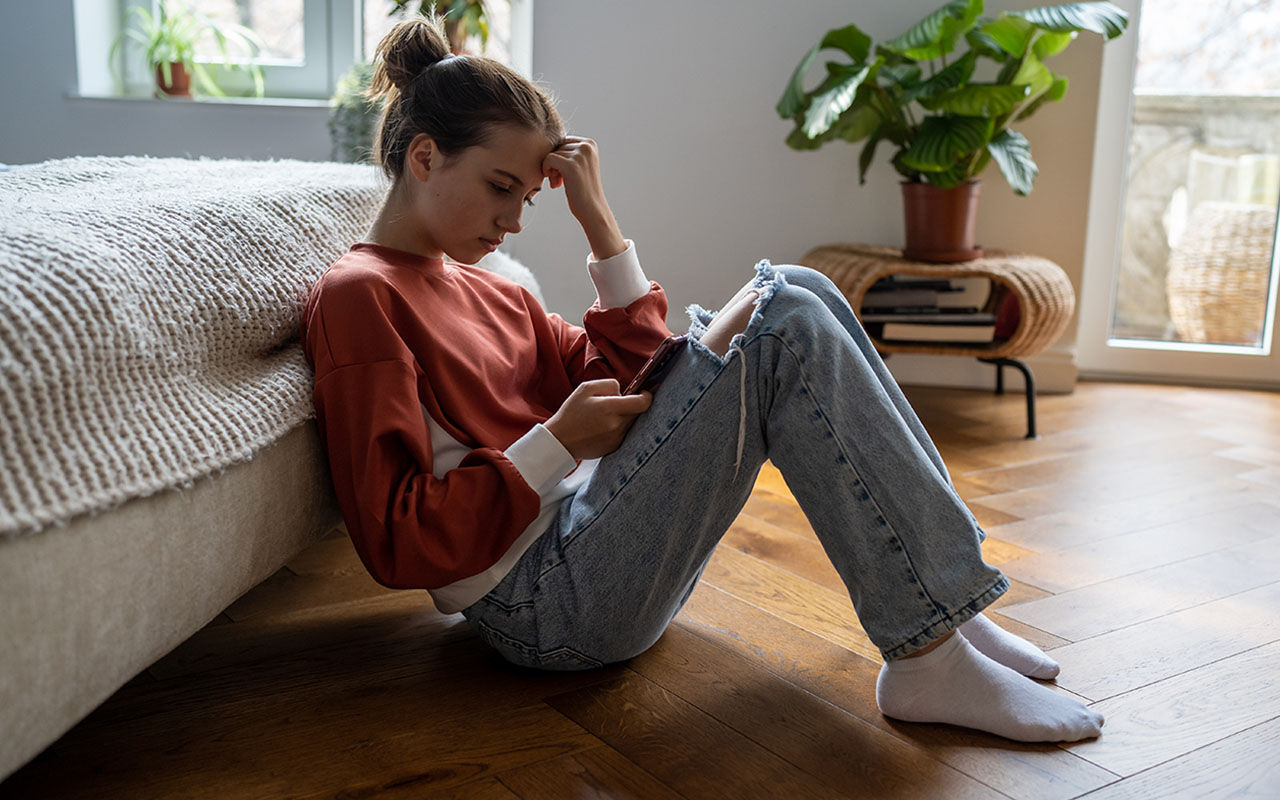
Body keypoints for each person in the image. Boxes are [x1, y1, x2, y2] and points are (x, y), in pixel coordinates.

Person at [300, 15, 1104, 743]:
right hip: (543, 610)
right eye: (500, 188)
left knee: (796, 286)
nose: (513, 219)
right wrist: (553, 445)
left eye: (527, 199)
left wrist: (600, 223)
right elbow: (394, 536)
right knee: (781, 320)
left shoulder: (492, 287)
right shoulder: (361, 296)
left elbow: (638, 373)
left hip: (592, 537)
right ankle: (930, 650)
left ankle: (945, 612)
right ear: (424, 156)